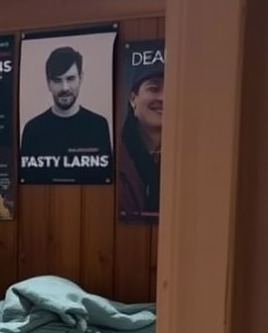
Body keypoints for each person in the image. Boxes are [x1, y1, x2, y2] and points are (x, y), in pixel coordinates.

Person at [19, 45, 112, 178]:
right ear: (48, 83)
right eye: (57, 80)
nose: (65, 88)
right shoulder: (32, 129)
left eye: (70, 79)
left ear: (81, 78)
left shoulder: (99, 126)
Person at [119, 65, 163, 219]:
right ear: (133, 99)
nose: (163, 98)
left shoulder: (194, 161)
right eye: (154, 88)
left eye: (172, 89)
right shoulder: (116, 158)